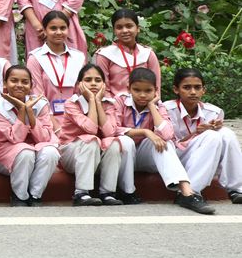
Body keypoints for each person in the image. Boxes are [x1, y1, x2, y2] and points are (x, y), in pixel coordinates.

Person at [116, 68, 213, 214]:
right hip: (122, 154)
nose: (142, 95)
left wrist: (152, 106)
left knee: (164, 143)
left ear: (155, 91)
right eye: (137, 90)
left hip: (142, 156)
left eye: (148, 91)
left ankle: (187, 193)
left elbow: (167, 134)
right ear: (129, 88)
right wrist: (146, 131)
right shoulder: (119, 101)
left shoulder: (158, 105)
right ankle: (127, 191)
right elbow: (111, 129)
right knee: (126, 141)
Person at [164, 68, 242, 204]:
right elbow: (166, 143)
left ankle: (236, 189)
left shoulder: (214, 112)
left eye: (197, 87)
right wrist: (196, 133)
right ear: (176, 89)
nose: (193, 92)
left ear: (203, 90)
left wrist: (216, 127)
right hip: (173, 156)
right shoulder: (166, 109)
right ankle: (190, 191)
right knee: (211, 136)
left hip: (202, 156)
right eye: (187, 87)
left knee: (226, 133)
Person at [0, 65, 59, 206]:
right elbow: (16, 139)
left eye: (25, 82)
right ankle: (19, 196)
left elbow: (44, 138)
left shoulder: (41, 103)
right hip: (6, 155)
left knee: (51, 152)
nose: (19, 85)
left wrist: (30, 112)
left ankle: (35, 195)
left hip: (35, 150)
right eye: (14, 81)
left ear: (31, 85)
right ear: (5, 83)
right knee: (25, 152)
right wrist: (22, 110)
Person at [58, 63, 122, 205]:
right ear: (79, 85)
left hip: (95, 154)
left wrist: (98, 102)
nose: (93, 83)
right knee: (91, 140)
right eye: (88, 80)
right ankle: (81, 193)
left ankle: (107, 193)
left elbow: (109, 132)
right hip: (71, 155)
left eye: (98, 80)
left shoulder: (109, 104)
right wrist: (92, 100)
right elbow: (91, 129)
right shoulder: (71, 104)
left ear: (104, 85)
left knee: (113, 143)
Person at [25, 10, 87, 117]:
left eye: (63, 28)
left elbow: (83, 93)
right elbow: (37, 96)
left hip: (76, 117)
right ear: (44, 30)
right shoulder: (35, 58)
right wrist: (53, 123)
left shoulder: (79, 57)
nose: (58, 32)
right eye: (53, 28)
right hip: (45, 118)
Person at [93, 9, 161, 96]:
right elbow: (103, 89)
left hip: (145, 102)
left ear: (138, 28)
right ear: (114, 30)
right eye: (119, 27)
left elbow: (156, 89)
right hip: (113, 103)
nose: (124, 31)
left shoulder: (148, 54)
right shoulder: (104, 55)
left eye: (129, 26)